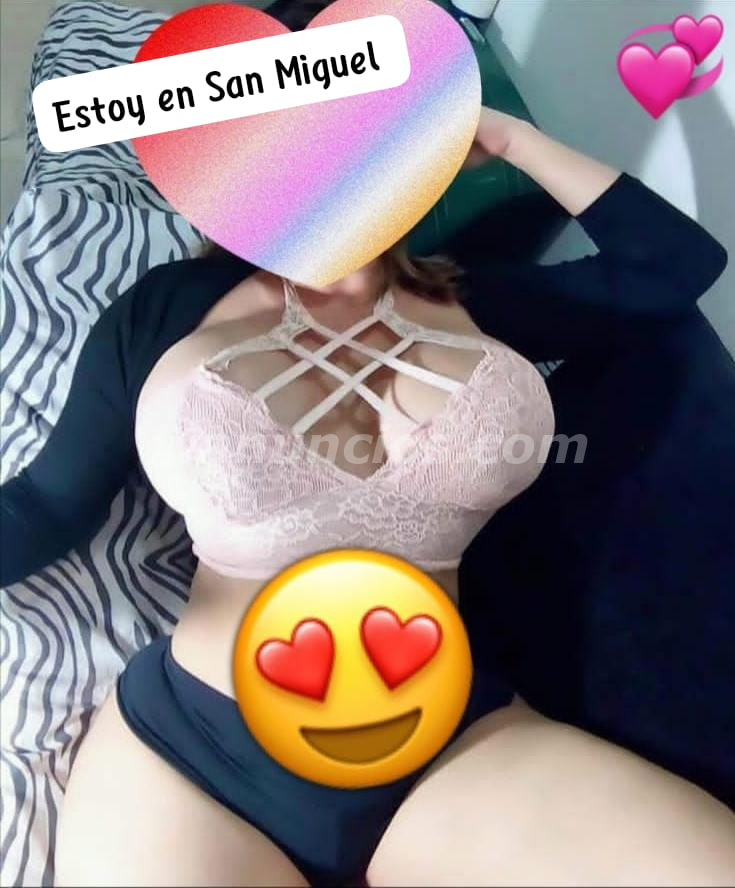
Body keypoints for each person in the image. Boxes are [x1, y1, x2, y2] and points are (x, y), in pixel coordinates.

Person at [2, 90, 734, 888]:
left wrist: (509, 137)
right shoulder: (168, 308)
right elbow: (44, 505)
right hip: (200, 757)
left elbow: (675, 263)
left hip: (447, 750)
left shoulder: (479, 305)